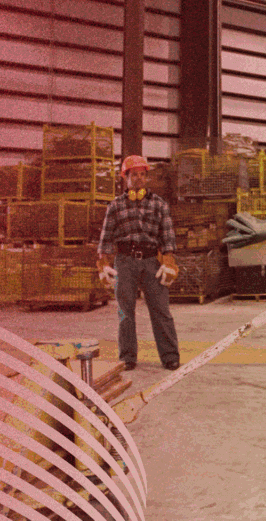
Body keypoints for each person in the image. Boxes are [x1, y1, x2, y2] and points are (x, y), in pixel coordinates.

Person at [97, 155, 181, 371]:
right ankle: (127, 357)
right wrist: (103, 265)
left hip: (152, 262)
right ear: (125, 177)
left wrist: (169, 262)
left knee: (161, 310)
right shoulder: (115, 206)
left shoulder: (159, 204)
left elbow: (168, 237)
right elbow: (106, 238)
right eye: (135, 175)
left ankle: (170, 356)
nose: (139, 179)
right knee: (125, 312)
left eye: (143, 175)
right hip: (124, 263)